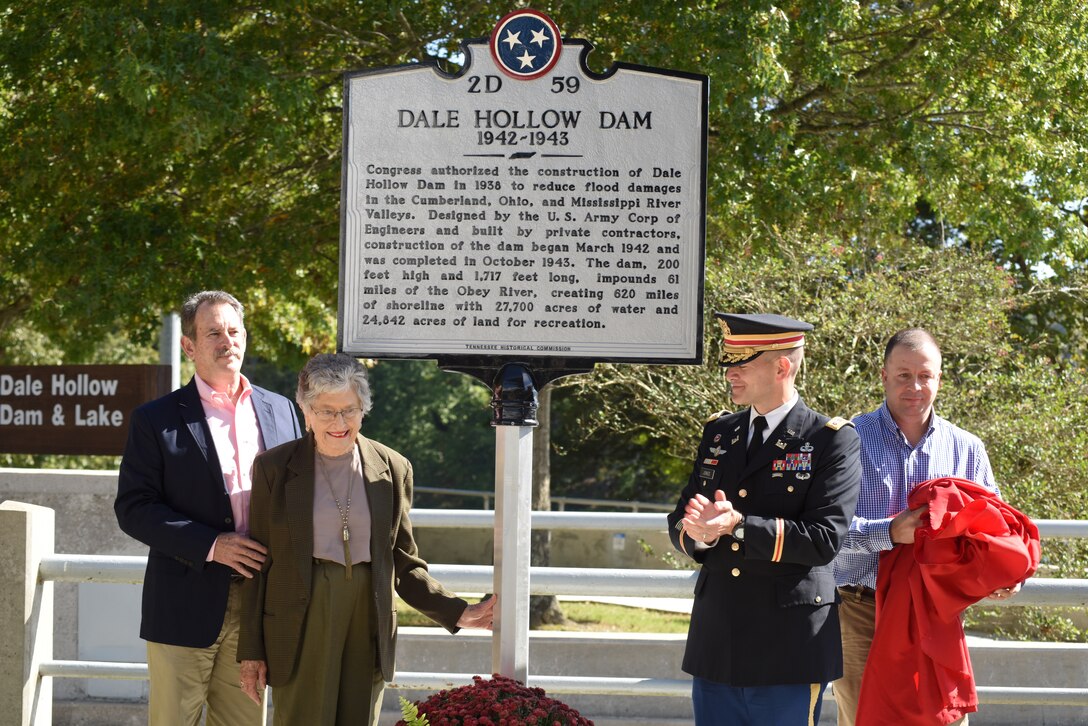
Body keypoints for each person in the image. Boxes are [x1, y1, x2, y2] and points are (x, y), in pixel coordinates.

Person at [237, 352, 496, 725]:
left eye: (350, 410)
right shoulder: (273, 468)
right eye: (326, 411)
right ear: (306, 411)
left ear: (363, 408)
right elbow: (257, 564)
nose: (339, 423)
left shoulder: (392, 467)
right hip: (300, 616)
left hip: (369, 615)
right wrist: (251, 651)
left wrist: (458, 612)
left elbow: (403, 562)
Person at [115, 290, 302, 726]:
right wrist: (212, 544)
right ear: (189, 346)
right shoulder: (154, 419)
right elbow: (134, 508)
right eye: (213, 332)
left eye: (234, 331)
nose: (227, 341)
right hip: (184, 602)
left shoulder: (281, 410)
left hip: (260, 607)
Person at [668, 313, 861, 726]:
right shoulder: (719, 432)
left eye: (742, 364)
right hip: (717, 640)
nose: (730, 375)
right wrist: (698, 533)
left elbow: (825, 539)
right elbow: (682, 516)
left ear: (781, 366)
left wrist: (737, 524)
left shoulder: (830, 439)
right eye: (728, 364)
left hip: (788, 647)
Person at [832, 328, 1012, 726]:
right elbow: (828, 533)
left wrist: (1000, 573)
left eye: (925, 376)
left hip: (936, 616)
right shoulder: (847, 441)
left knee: (943, 720)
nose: (915, 386)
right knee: (864, 719)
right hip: (860, 612)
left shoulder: (967, 448)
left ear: (939, 379)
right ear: (883, 376)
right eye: (902, 375)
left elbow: (993, 534)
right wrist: (890, 532)